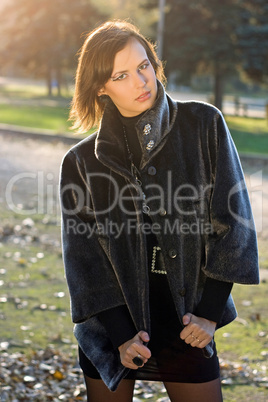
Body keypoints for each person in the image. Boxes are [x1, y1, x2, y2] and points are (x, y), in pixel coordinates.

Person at [59, 20, 259, 402]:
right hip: (112, 329)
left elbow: (234, 226)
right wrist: (120, 335)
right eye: (121, 75)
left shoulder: (204, 125)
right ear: (101, 86)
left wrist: (209, 314)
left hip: (187, 321)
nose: (141, 81)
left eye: (143, 65)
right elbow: (84, 262)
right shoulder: (81, 162)